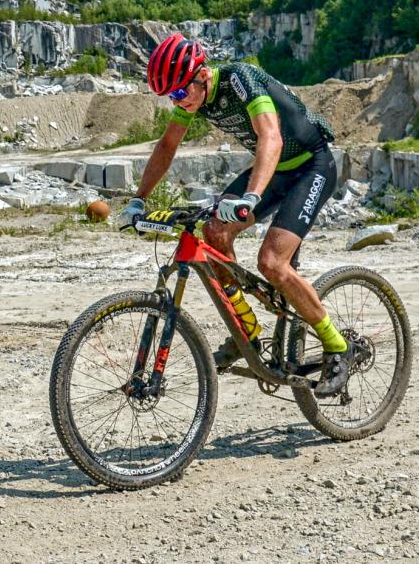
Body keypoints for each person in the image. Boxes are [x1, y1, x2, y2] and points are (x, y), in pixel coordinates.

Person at [118, 33, 353, 397]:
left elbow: (270, 138)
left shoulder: (241, 79)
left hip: (312, 166)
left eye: (180, 93)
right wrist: (138, 200)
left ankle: (338, 345)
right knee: (214, 232)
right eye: (172, 97)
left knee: (272, 262)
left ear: (201, 75)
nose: (178, 102)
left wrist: (251, 196)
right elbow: (167, 146)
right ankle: (247, 331)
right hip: (275, 170)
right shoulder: (192, 97)